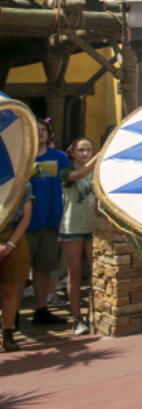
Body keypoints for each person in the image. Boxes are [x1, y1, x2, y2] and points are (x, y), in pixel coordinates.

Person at [28, 119, 69, 325]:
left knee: (44, 269)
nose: (40, 133)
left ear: (48, 133)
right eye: (36, 130)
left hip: (51, 221)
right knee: (18, 274)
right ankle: (13, 315)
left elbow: (71, 180)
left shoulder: (60, 157)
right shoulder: (22, 157)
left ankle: (41, 309)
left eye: (43, 129)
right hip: (25, 225)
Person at [60, 137, 99, 336]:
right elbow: (80, 174)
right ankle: (77, 319)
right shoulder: (66, 172)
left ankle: (96, 314)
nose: (85, 154)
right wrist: (101, 156)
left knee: (97, 273)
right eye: (81, 150)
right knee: (74, 274)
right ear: (73, 152)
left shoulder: (98, 172)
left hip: (93, 228)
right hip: (72, 228)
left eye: (89, 150)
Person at [1, 183, 32, 351]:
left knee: (10, 288)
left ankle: (7, 333)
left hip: (13, 236)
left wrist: (10, 244)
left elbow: (26, 217)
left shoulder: (23, 183)